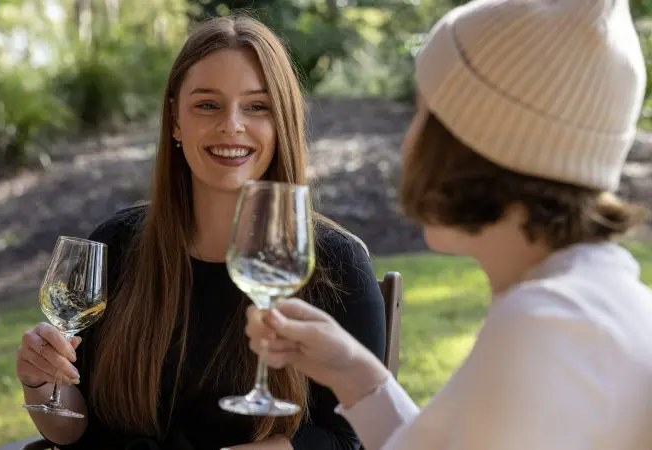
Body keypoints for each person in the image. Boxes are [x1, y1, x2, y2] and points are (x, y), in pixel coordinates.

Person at [245, 0, 652, 448]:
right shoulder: (590, 306)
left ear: (478, 140)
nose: (407, 144)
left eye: (423, 112)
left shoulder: (549, 332)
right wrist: (352, 372)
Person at [14, 14, 386, 450]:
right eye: (207, 105)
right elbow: (77, 433)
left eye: (257, 106)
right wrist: (41, 385)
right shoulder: (117, 244)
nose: (232, 125)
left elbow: (351, 438)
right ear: (175, 120)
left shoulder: (334, 264)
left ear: (282, 121)